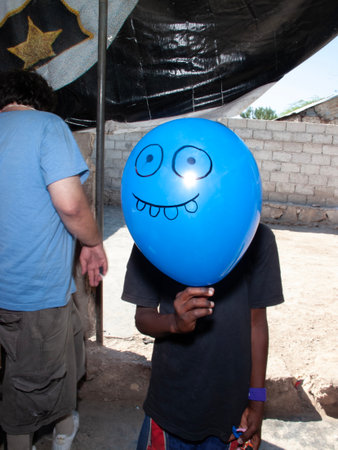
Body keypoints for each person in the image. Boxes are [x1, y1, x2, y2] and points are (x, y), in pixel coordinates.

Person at [0, 70, 108, 450]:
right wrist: (93, 242)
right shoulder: (47, 126)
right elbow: (71, 204)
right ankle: (29, 440)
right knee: (30, 384)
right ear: (40, 100)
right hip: (31, 289)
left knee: (58, 350)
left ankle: (63, 422)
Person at [122, 223, 284, 449]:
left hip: (231, 415)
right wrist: (174, 324)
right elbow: (143, 317)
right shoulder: (154, 231)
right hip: (169, 408)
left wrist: (257, 401)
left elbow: (257, 324)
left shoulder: (257, 236)